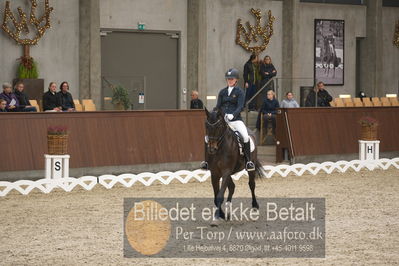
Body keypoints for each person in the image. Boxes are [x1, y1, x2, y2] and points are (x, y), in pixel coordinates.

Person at [201, 68, 255, 171]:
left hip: (236, 120)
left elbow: (240, 107)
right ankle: (207, 162)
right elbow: (218, 106)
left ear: (236, 80)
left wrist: (232, 115)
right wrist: (214, 113)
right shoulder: (222, 92)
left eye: (232, 79)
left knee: (245, 136)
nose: (230, 80)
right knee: (207, 137)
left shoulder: (240, 92)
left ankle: (248, 162)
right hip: (223, 120)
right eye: (228, 79)